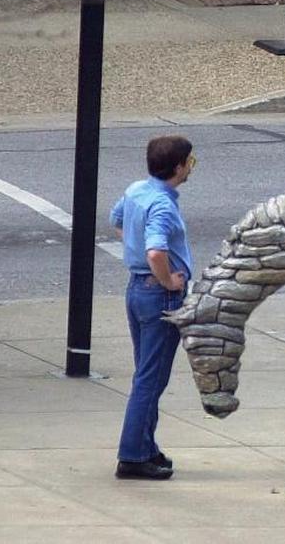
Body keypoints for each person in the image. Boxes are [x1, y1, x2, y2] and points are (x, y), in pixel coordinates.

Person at [112, 135, 196, 479]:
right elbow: (156, 252)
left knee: (147, 375)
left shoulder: (136, 191)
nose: (192, 167)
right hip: (158, 297)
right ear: (178, 167)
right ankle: (133, 455)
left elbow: (117, 220)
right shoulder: (162, 205)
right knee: (150, 379)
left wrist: (137, 248)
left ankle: (145, 447)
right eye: (191, 162)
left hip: (137, 292)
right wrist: (167, 281)